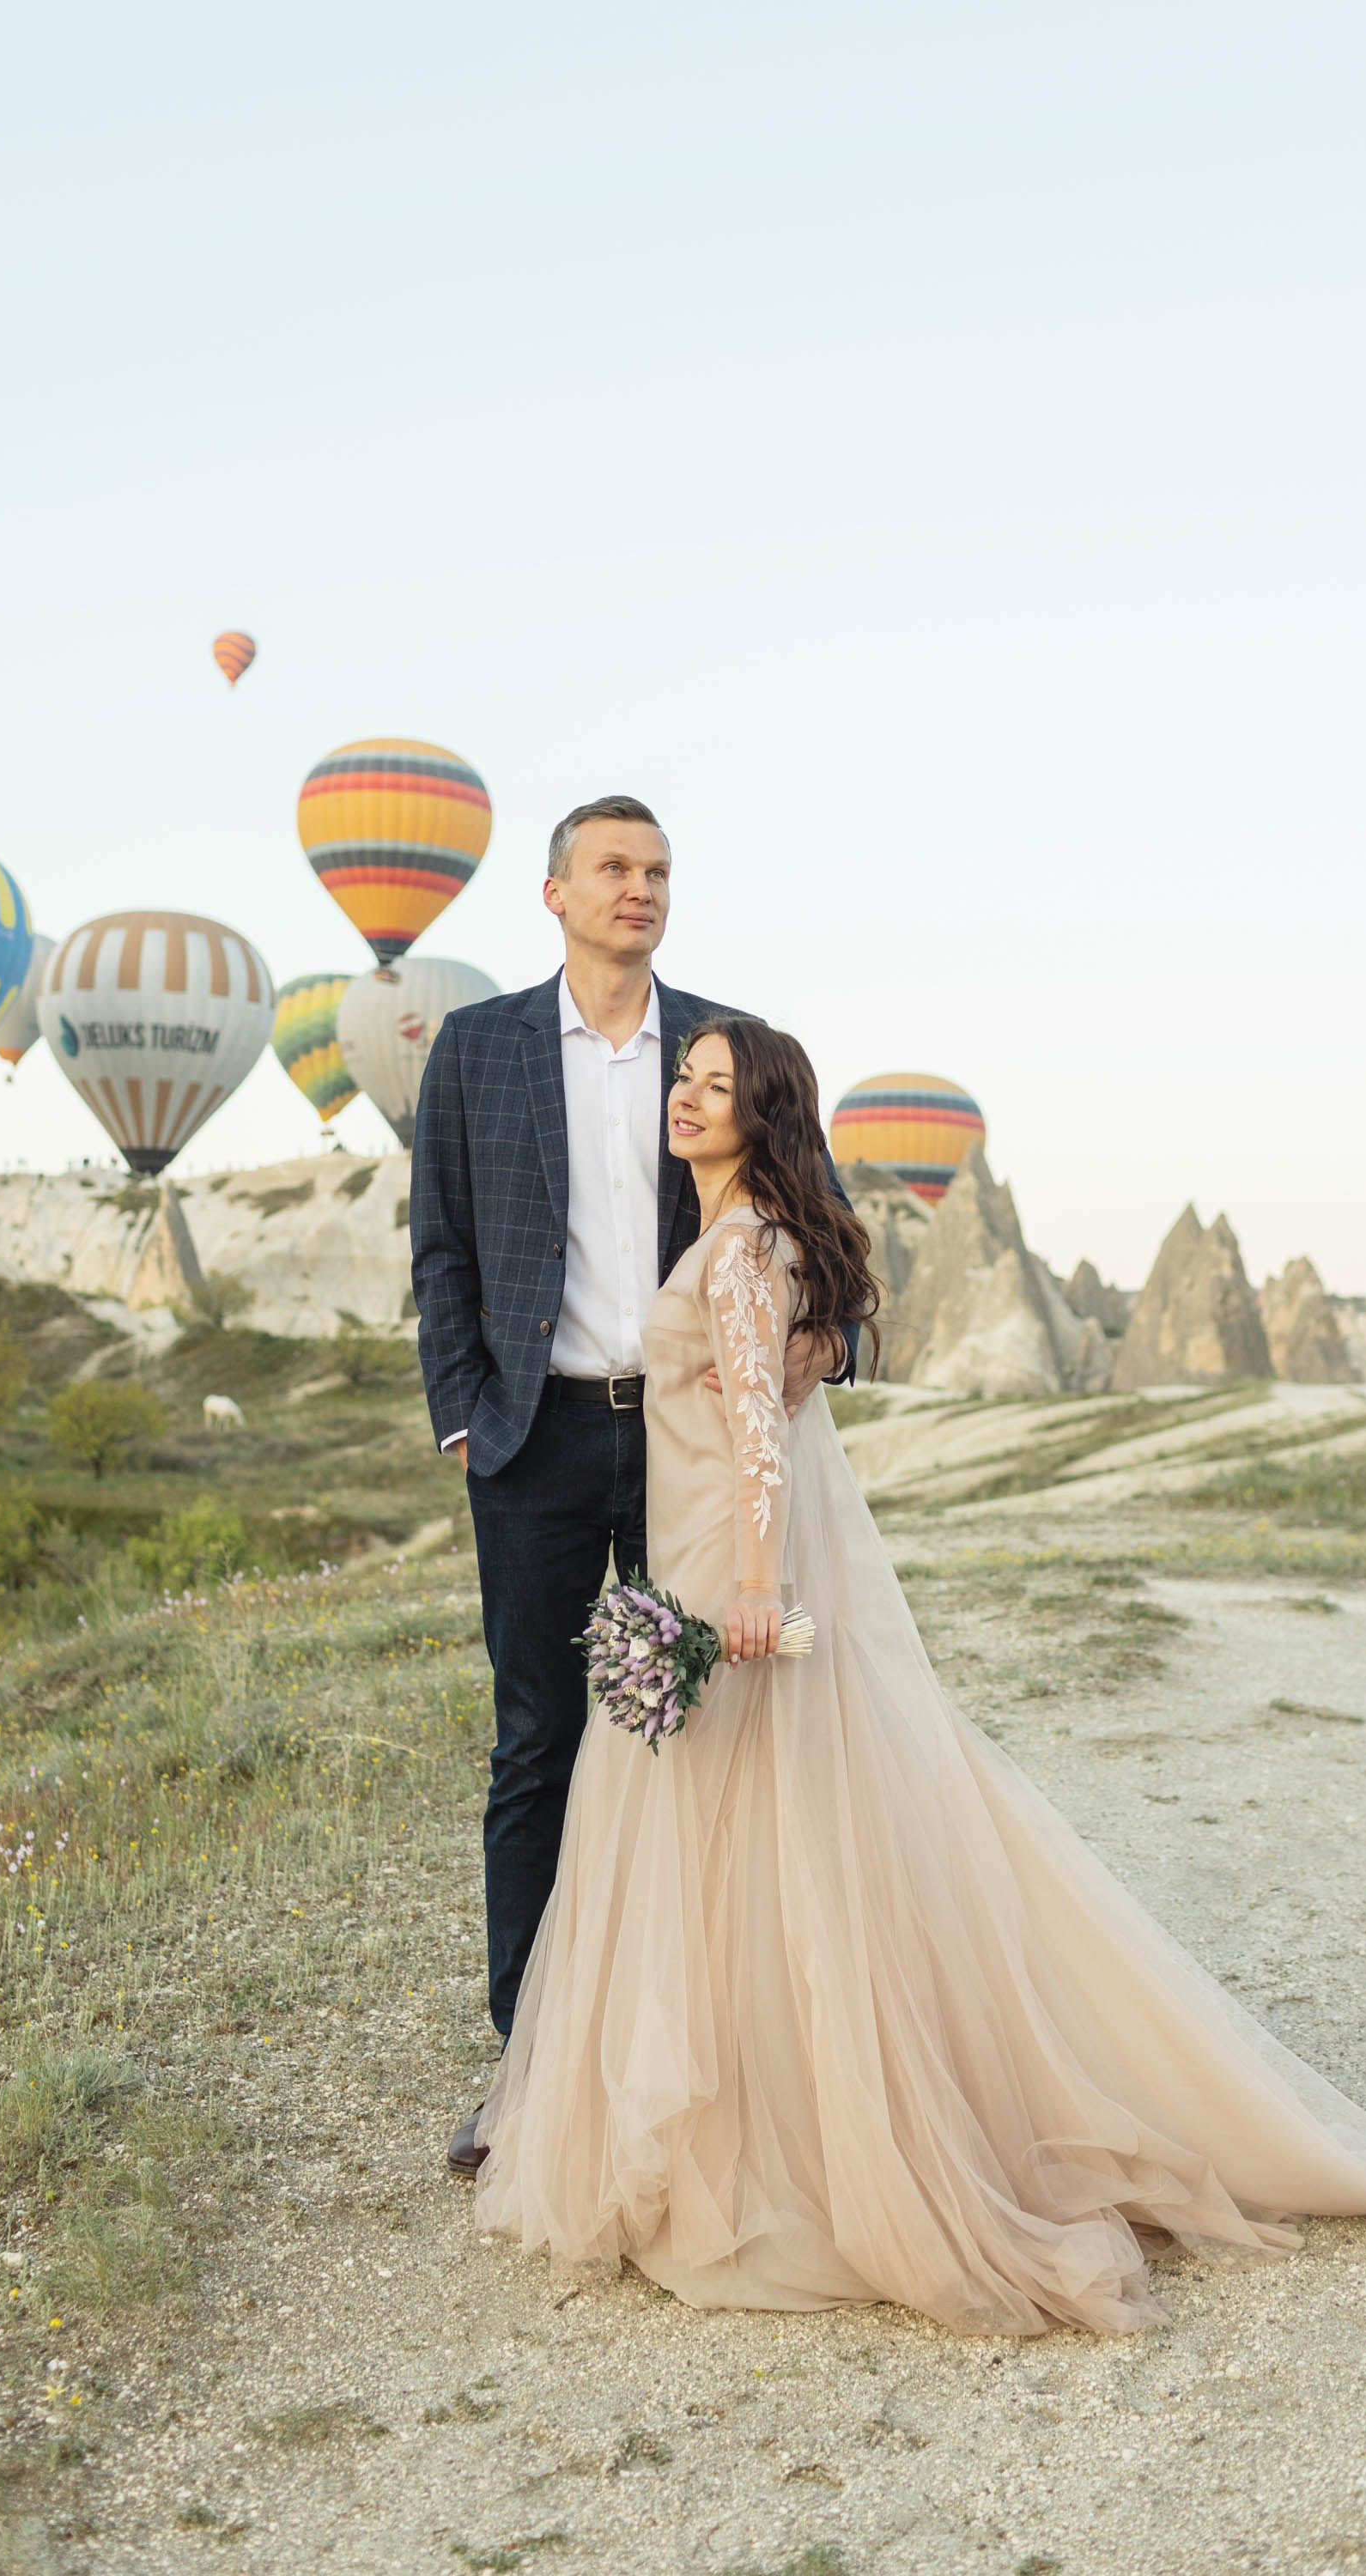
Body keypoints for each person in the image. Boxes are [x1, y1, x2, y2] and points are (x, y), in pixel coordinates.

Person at [471, 1015, 1366, 2335]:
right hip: (698, 1555)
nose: (686, 1098)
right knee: (749, 1838)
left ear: (760, 1116)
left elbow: (757, 1431)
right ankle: (758, 2104)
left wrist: (755, 1590)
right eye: (682, 1077)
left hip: (725, 1567)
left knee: (745, 1833)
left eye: (714, 1087)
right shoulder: (740, 1237)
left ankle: (781, 2133)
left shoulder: (739, 1248)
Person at [409, 797, 859, 2178]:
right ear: (553, 893)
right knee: (540, 1746)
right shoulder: (477, 1047)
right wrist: (463, 1419)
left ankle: (718, 2062)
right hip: (533, 1440)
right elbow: (441, 1246)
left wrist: (813, 1354)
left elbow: (819, 1225)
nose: (639, 888)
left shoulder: (723, 1047)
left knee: (706, 1745)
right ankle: (532, 2075)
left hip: (689, 1459)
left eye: (657, 870)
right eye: (612, 868)